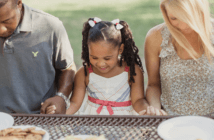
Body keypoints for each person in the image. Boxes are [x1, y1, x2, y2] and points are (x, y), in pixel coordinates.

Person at [48, 17, 148, 115]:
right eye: (94, 57)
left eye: (107, 58)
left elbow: (138, 101)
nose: (100, 64)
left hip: (123, 125)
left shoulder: (132, 71)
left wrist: (147, 111)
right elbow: (74, 104)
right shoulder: (84, 73)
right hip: (93, 124)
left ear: (120, 49)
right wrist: (58, 114)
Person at [0, 0, 76, 114]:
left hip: (41, 118)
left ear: (19, 4)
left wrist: (61, 97)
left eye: (6, 21)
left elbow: (68, 68)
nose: (1, 29)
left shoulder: (50, 26)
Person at [144, 0, 214, 115]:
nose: (182, 26)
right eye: (174, 18)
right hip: (169, 124)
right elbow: (153, 85)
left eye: (186, 17)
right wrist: (155, 110)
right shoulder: (155, 37)